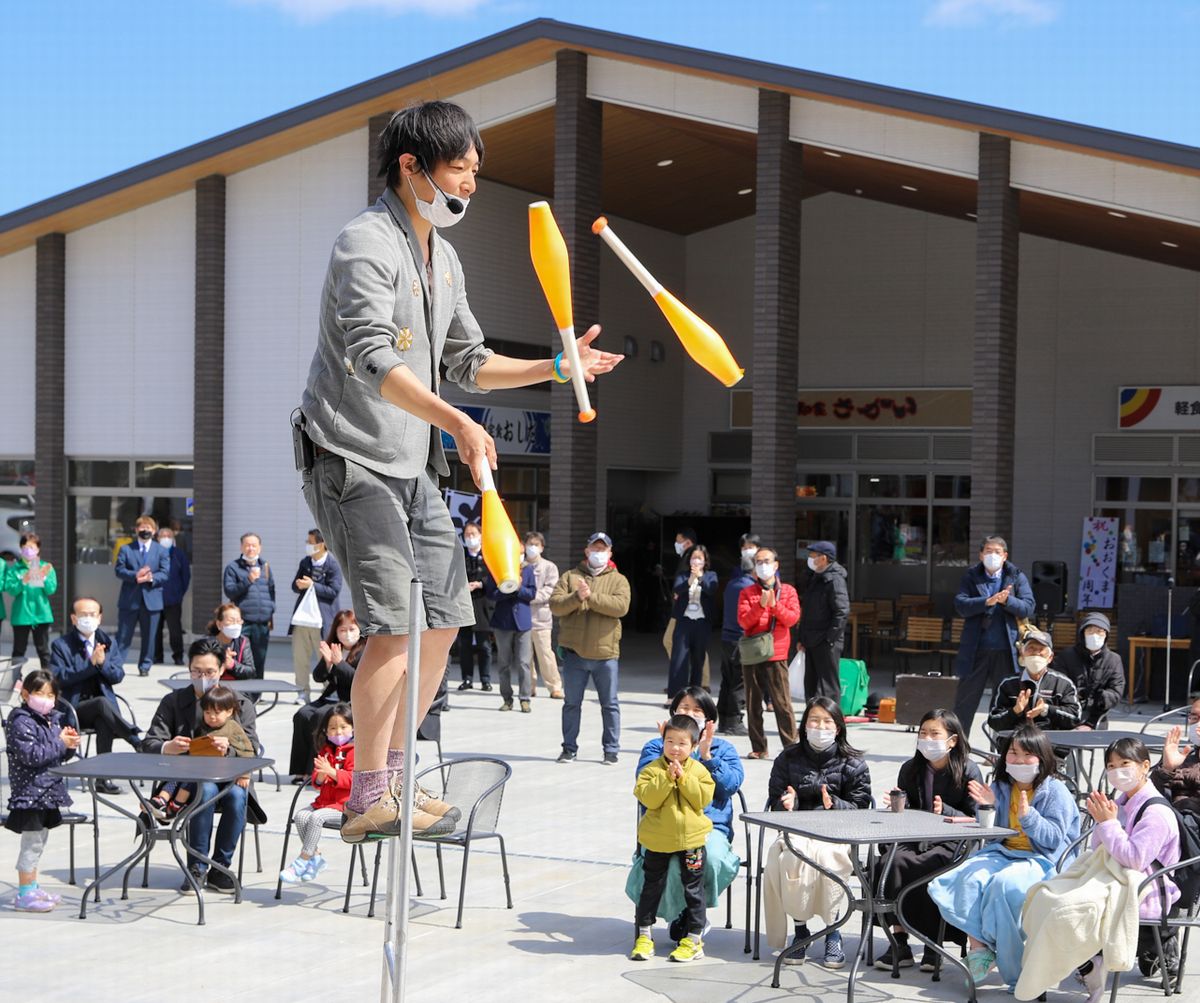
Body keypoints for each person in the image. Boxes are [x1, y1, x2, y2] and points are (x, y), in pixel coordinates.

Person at [297, 100, 622, 841]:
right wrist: (460, 422)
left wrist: (554, 363)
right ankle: (367, 791)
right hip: (349, 456)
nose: (470, 185)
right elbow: (373, 358)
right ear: (411, 166)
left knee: (445, 621)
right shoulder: (364, 244)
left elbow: (467, 362)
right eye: (459, 169)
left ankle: (397, 777)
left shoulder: (444, 257)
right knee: (394, 627)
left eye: (477, 171)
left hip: (412, 461)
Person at [928, 723, 1080, 992]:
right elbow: (989, 832)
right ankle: (980, 948)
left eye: (1027, 755)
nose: (1019, 760)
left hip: (1042, 859)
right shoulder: (1000, 787)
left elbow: (1054, 840)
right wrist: (988, 807)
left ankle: (1015, 972)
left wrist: (1029, 818)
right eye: (1013, 753)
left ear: (1042, 758)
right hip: (1004, 852)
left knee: (1003, 886)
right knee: (963, 877)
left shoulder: (1055, 791)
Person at [142, 637, 263, 894]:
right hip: (183, 781)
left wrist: (228, 750)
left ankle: (220, 867)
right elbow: (150, 742)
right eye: (197, 671)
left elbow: (253, 748)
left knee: (237, 796)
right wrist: (168, 747)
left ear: (221, 670)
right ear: (189, 668)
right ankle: (197, 867)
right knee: (205, 791)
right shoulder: (173, 701)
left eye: (209, 671)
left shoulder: (240, 704)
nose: (203, 676)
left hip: (230, 779)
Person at [1070, 736, 1182, 1001]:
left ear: (1145, 766)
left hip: (1146, 889)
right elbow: (1101, 849)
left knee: (1072, 905)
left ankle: (1090, 962)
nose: (1116, 771)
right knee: (1050, 894)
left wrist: (1108, 824)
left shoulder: (1155, 812)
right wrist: (1103, 821)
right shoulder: (1122, 800)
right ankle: (1086, 961)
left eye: (1124, 763)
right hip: (1116, 879)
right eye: (1110, 765)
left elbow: (1135, 859)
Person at [764, 696, 871, 969]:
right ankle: (800, 930)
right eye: (814, 720)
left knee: (828, 860)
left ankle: (832, 930)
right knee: (790, 857)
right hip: (798, 830)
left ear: (838, 728)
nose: (820, 726)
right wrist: (787, 804)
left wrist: (835, 804)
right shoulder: (787, 758)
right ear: (804, 725)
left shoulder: (854, 763)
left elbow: (862, 808)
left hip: (838, 833)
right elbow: (775, 801)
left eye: (827, 721)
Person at [873, 709, 982, 972]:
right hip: (915, 837)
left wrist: (946, 811)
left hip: (951, 841)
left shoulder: (968, 770)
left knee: (936, 866)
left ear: (952, 740)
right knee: (892, 862)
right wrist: (900, 804)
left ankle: (934, 945)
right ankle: (899, 940)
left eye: (935, 734)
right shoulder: (911, 768)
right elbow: (907, 811)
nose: (927, 739)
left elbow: (977, 817)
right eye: (923, 733)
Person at [629, 714, 715, 964]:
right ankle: (644, 935)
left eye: (682, 743)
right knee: (651, 887)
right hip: (657, 840)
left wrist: (684, 779)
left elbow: (702, 800)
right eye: (670, 741)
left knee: (694, 890)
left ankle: (694, 938)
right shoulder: (652, 770)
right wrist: (667, 778)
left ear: (694, 745)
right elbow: (648, 799)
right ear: (662, 740)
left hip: (692, 842)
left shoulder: (699, 771)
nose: (675, 748)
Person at [550, 532, 631, 765]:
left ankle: (611, 750)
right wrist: (577, 596)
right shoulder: (570, 576)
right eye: (594, 549)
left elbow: (621, 607)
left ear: (610, 553)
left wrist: (590, 597)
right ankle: (569, 749)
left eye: (602, 549)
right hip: (575, 654)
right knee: (572, 704)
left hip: (606, 655)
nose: (598, 553)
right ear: (586, 551)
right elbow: (555, 605)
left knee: (610, 704)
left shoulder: (619, 580)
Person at [3, 669, 81, 912]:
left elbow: (55, 754)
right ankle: (24, 893)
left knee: (40, 840)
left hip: (47, 791)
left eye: (51, 694)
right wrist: (59, 743)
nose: (46, 699)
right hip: (30, 794)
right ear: (25, 694)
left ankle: (33, 887)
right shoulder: (20, 721)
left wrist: (68, 744)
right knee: (32, 843)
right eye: (39, 693)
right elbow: (32, 755)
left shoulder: (52, 718)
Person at [49, 596, 142, 795]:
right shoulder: (61, 645)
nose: (88, 619)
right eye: (83, 615)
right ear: (74, 619)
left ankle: (102, 779)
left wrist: (102, 664)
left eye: (92, 615)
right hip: (73, 707)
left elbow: (117, 675)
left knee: (103, 718)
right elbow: (59, 678)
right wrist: (91, 665)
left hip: (103, 709)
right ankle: (135, 740)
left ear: (100, 618)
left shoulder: (108, 642)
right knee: (101, 704)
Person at [950, 536, 1035, 737]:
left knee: (1004, 702)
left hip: (1007, 650)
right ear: (981, 555)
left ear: (1005, 556)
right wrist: (986, 602)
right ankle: (959, 748)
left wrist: (1007, 601)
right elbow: (960, 605)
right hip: (976, 649)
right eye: (988, 551)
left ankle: (1000, 750)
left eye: (997, 552)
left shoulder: (1016, 576)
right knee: (965, 701)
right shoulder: (971, 576)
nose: (992, 555)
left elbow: (1028, 607)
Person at [148, 684, 257, 820]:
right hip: (200, 770)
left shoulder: (232, 728)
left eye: (217, 713)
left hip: (223, 774)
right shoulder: (203, 727)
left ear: (229, 712)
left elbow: (247, 750)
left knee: (190, 783)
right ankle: (160, 800)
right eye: (207, 713)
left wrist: (244, 775)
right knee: (177, 778)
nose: (212, 717)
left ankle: (175, 807)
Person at [280, 702, 356, 884]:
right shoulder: (326, 751)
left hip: (345, 807)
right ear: (326, 731)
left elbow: (355, 780)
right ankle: (316, 857)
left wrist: (333, 773)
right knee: (301, 816)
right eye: (333, 728)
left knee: (316, 818)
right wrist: (321, 776)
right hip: (324, 802)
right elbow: (316, 782)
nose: (338, 732)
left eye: (343, 727)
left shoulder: (355, 751)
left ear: (353, 728)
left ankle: (303, 860)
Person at [736, 546, 800, 760]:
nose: (763, 566)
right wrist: (760, 606)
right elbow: (743, 621)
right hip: (754, 653)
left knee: (782, 703)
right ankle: (759, 746)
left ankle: (791, 747)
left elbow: (792, 619)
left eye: (767, 561)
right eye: (759, 562)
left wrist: (774, 606)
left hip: (777, 652)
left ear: (776, 565)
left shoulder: (788, 591)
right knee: (753, 702)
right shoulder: (747, 592)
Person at [290, 610, 366, 778]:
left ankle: (315, 770)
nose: (347, 634)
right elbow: (318, 677)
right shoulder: (334, 647)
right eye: (342, 630)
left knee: (320, 716)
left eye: (352, 629)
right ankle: (300, 769)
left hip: (348, 701)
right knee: (302, 715)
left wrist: (339, 663)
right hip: (330, 697)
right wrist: (327, 662)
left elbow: (357, 680)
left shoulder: (365, 651)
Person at [987, 628, 1081, 733]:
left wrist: (1047, 709)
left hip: (1053, 744)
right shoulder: (1007, 684)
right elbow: (993, 721)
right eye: (1031, 648)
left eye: (1041, 649)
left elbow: (1075, 718)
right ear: (1022, 654)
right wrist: (1015, 711)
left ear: (1050, 657)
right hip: (1017, 742)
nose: (1036, 653)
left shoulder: (1063, 683)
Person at [288, 528, 344, 704]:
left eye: (311, 542)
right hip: (302, 619)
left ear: (322, 544)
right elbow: (294, 586)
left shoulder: (333, 565)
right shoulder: (306, 562)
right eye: (308, 542)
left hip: (323, 621)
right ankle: (302, 691)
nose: (308, 546)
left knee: (325, 659)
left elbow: (334, 591)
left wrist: (313, 585)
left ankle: (328, 690)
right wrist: (300, 585)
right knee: (300, 657)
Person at [114, 513, 170, 676]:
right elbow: (119, 570)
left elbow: (165, 573)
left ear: (154, 531)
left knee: (150, 636)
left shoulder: (161, 550)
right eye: (142, 528)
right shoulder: (126, 549)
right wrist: (135, 576)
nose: (145, 530)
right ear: (136, 530)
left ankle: (145, 666)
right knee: (123, 636)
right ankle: (117, 665)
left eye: (148, 528)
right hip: (129, 599)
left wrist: (151, 577)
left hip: (152, 600)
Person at [797, 541, 850, 703]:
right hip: (811, 638)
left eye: (813, 556)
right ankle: (812, 717)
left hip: (826, 641)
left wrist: (830, 638)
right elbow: (806, 611)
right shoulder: (815, 577)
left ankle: (831, 720)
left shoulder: (834, 579)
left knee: (828, 685)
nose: (810, 559)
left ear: (823, 558)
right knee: (811, 683)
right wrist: (801, 638)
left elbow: (842, 611)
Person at [716, 534, 758, 736]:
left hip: (727, 637)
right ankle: (734, 720)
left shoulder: (733, 584)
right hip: (742, 638)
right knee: (739, 682)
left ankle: (723, 719)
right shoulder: (749, 587)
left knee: (727, 679)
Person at [1055, 612, 1125, 730]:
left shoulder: (1114, 660)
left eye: (1099, 631)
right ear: (1083, 634)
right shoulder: (1066, 656)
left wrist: (1091, 720)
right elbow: (1059, 687)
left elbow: (1115, 691)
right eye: (1090, 631)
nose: (1095, 635)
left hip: (1097, 718)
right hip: (1066, 715)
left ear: (1106, 635)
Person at [662, 527, 711, 691]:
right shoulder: (685, 557)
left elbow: (709, 586)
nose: (676, 544)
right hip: (683, 609)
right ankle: (683, 679)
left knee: (676, 643)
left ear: (688, 542)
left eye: (678, 541)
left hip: (688, 613)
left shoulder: (690, 558)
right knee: (685, 647)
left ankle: (699, 682)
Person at [667, 545, 718, 700]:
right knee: (678, 658)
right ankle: (674, 695)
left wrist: (700, 578)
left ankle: (695, 694)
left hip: (702, 623)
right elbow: (677, 590)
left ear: (705, 560)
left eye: (699, 558)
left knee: (698, 658)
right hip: (684, 622)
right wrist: (690, 580)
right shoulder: (683, 575)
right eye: (694, 557)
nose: (696, 560)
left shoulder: (711, 575)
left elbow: (711, 589)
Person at [486, 559, 537, 713]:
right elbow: (491, 593)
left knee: (523, 662)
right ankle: (507, 699)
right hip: (503, 622)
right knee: (503, 663)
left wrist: (519, 587)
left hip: (523, 622)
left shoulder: (528, 569)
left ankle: (525, 699)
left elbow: (532, 593)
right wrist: (508, 588)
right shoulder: (497, 567)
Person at [222, 533, 275, 679]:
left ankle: (256, 693)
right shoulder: (233, 567)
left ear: (260, 547)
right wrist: (248, 580)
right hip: (242, 622)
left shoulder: (265, 567)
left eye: (254, 545)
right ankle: (242, 691)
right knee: (241, 658)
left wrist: (271, 609)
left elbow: (271, 590)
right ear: (241, 547)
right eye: (247, 545)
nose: (250, 548)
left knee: (260, 659)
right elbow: (230, 591)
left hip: (262, 622)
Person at [3, 533, 58, 668]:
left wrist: (43, 577)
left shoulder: (45, 567)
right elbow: (10, 589)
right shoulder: (15, 569)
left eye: (32, 547)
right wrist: (23, 580)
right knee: (18, 650)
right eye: (25, 547)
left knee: (43, 650)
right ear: (21, 548)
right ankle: (16, 678)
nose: (28, 550)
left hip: (41, 614)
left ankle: (47, 678)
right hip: (22, 615)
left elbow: (51, 590)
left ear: (38, 549)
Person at [524, 531, 563, 699]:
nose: (532, 547)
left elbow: (550, 590)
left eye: (536, 544)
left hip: (541, 618)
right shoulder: (520, 565)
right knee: (525, 657)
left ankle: (554, 686)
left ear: (542, 547)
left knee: (545, 654)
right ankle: (528, 686)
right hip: (523, 618)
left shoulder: (549, 567)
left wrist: (529, 596)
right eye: (530, 544)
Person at [457, 521, 493, 692]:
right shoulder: (460, 555)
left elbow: (494, 577)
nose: (470, 538)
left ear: (480, 536)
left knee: (484, 645)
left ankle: (485, 679)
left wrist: (480, 584)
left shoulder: (488, 555)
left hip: (482, 604)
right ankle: (467, 678)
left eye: (473, 534)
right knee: (465, 645)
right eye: (467, 535)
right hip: (463, 603)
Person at [153, 525, 191, 666]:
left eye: (169, 536)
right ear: (157, 538)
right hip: (155, 598)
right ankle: (157, 656)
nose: (166, 539)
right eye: (163, 536)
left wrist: (179, 593)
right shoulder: (153, 553)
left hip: (173, 599)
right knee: (155, 630)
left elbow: (186, 576)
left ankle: (178, 656)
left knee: (175, 630)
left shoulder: (179, 554)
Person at [206, 603, 256, 680]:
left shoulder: (243, 641)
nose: (236, 625)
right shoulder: (207, 643)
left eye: (238, 621)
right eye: (231, 621)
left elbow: (250, 671)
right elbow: (201, 669)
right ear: (219, 624)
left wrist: (232, 664)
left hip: (237, 689)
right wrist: (220, 663)